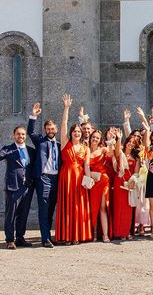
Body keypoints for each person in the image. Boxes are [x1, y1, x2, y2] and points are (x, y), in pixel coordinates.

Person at [55, 94, 92, 244]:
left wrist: (88, 181)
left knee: (78, 206)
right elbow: (63, 124)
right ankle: (66, 235)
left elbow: (87, 166)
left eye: (79, 131)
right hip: (67, 177)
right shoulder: (65, 143)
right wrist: (66, 108)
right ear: (71, 133)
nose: (77, 133)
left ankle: (77, 235)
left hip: (80, 178)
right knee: (67, 206)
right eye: (74, 131)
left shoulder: (85, 147)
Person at [26, 102, 61, 248]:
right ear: (45, 130)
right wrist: (33, 115)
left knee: (51, 209)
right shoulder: (40, 140)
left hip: (56, 179)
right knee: (44, 208)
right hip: (43, 178)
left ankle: (48, 236)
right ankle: (45, 238)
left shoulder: (60, 145)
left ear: (56, 129)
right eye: (48, 129)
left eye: (52, 128)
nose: (50, 131)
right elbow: (30, 131)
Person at [1, 125, 35, 249]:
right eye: (18, 134)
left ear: (25, 136)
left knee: (23, 214)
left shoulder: (31, 150)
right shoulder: (8, 149)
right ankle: (10, 240)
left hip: (27, 187)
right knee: (11, 214)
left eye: (23, 134)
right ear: (13, 135)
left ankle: (20, 238)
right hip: (13, 187)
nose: (20, 136)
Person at [85, 129, 114, 242]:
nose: (95, 139)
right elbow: (86, 166)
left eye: (97, 138)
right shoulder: (86, 150)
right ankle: (94, 233)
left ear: (100, 140)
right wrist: (89, 178)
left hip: (103, 180)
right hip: (93, 181)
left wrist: (111, 140)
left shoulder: (103, 149)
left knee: (102, 207)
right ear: (90, 137)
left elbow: (111, 154)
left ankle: (105, 235)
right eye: (94, 137)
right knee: (93, 207)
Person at [111, 131, 140, 240]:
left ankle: (126, 231)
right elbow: (117, 150)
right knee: (118, 207)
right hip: (119, 182)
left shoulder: (136, 158)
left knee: (128, 209)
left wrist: (133, 180)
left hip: (130, 184)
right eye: (129, 141)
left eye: (134, 143)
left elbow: (136, 172)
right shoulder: (120, 153)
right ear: (126, 142)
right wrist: (119, 138)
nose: (131, 144)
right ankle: (117, 232)